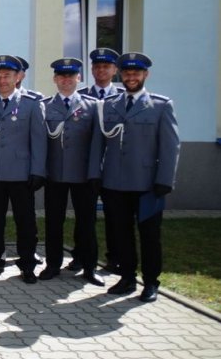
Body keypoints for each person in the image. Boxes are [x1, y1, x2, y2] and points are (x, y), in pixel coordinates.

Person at [93, 52, 180, 303]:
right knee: (120, 233)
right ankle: (127, 277)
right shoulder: (108, 104)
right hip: (114, 182)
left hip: (147, 184)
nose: (131, 77)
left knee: (149, 235)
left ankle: (151, 282)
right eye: (127, 73)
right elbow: (98, 145)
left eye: (136, 73)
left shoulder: (161, 105)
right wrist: (94, 175)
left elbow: (170, 146)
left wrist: (165, 179)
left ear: (145, 75)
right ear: (121, 74)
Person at [0, 56, 46, 283]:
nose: (2, 80)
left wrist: (38, 171)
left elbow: (39, 141)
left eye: (7, 76)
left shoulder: (31, 104)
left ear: (17, 77)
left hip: (21, 173)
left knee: (25, 221)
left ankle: (27, 264)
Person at [39, 58, 104, 286]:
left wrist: (95, 173)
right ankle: (53, 265)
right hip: (54, 174)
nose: (66, 80)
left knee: (87, 222)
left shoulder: (93, 106)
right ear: (55, 79)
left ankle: (89, 267)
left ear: (79, 78)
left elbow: (97, 143)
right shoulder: (45, 106)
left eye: (71, 76)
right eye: (62, 76)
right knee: (53, 222)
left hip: (83, 175)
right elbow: (40, 144)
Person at [77, 47, 124, 274]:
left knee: (115, 215)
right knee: (84, 215)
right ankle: (81, 256)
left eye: (106, 66)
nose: (101, 70)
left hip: (114, 167)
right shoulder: (82, 96)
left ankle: (114, 257)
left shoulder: (124, 98)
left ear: (115, 70)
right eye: (97, 66)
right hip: (85, 167)